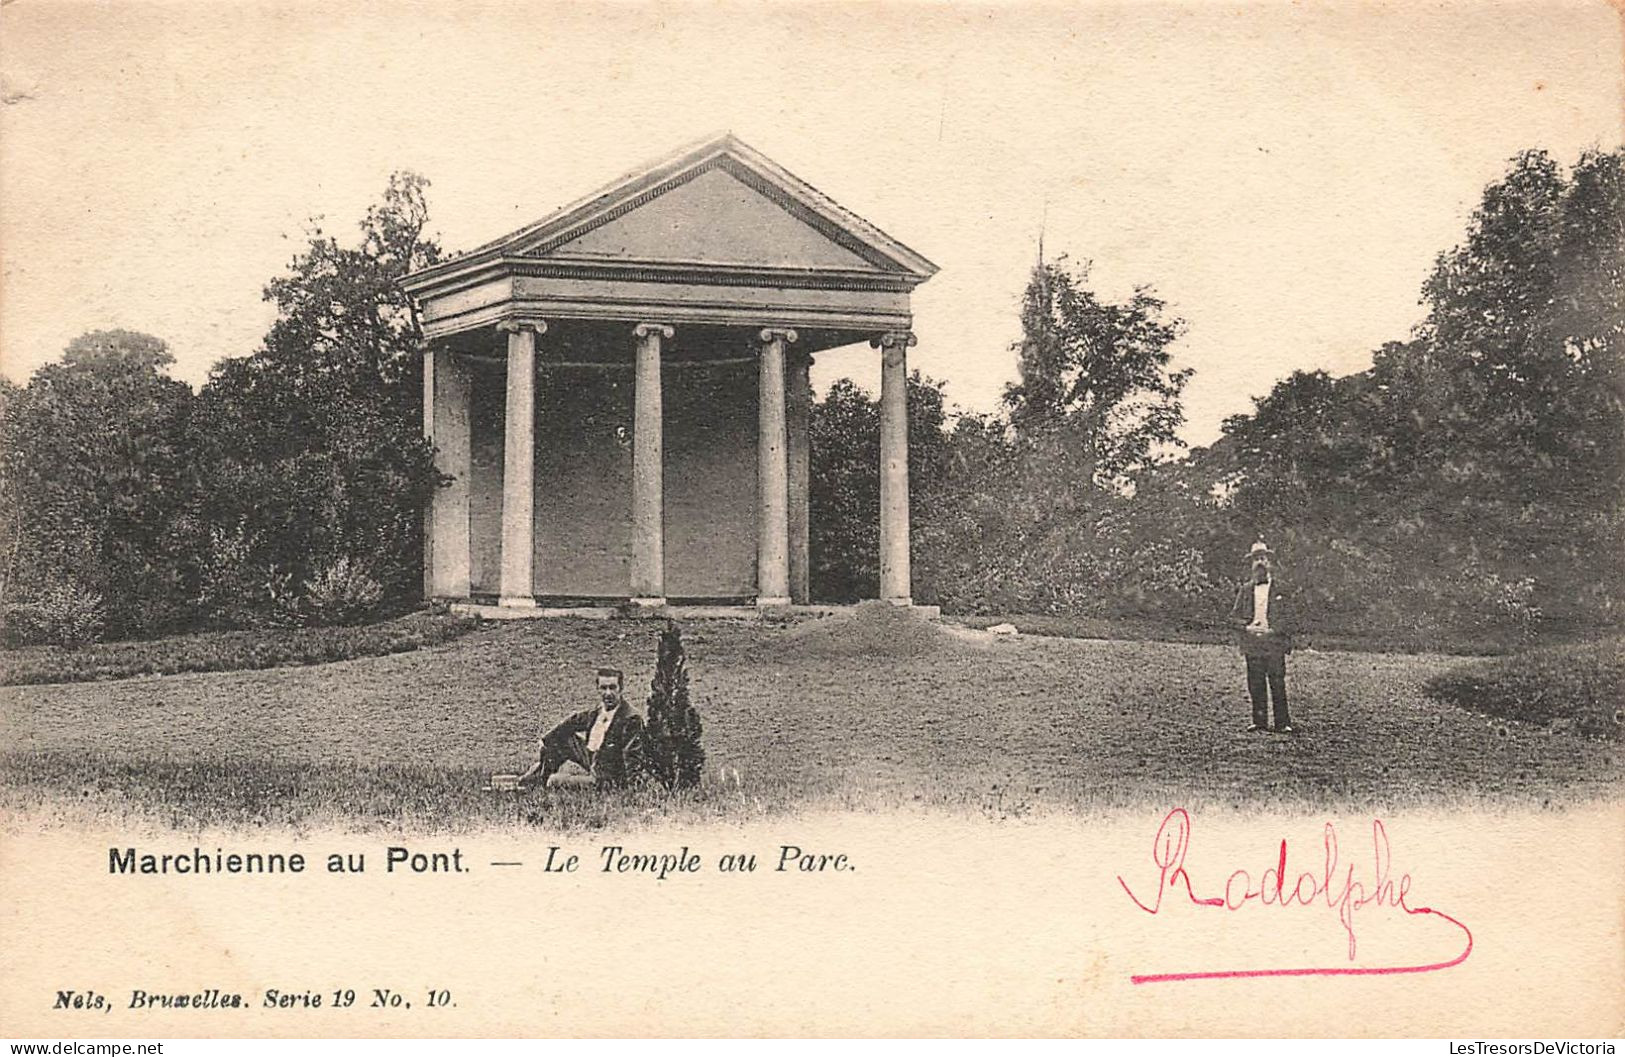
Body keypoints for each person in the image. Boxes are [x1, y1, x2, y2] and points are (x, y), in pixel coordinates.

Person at [517, 667, 648, 789]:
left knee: (555, 781)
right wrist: (546, 740)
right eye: (603, 688)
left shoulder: (630, 718)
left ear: (621, 688)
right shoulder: (598, 711)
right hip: (593, 759)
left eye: (612, 688)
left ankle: (545, 780)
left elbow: (633, 755)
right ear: (598, 689)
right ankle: (533, 779)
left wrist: (634, 786)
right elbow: (573, 721)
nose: (608, 693)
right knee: (561, 738)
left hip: (608, 776)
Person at [1229, 540, 1294, 734]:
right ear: (1251, 564)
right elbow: (1233, 617)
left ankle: (1282, 723)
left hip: (1273, 642)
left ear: (1270, 562)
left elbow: (1291, 618)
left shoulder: (1282, 589)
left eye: (1263, 559)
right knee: (1255, 682)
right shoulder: (1246, 590)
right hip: (1253, 644)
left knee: (1277, 681)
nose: (1260, 563)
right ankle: (1259, 722)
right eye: (1256, 559)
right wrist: (1247, 627)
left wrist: (1273, 630)